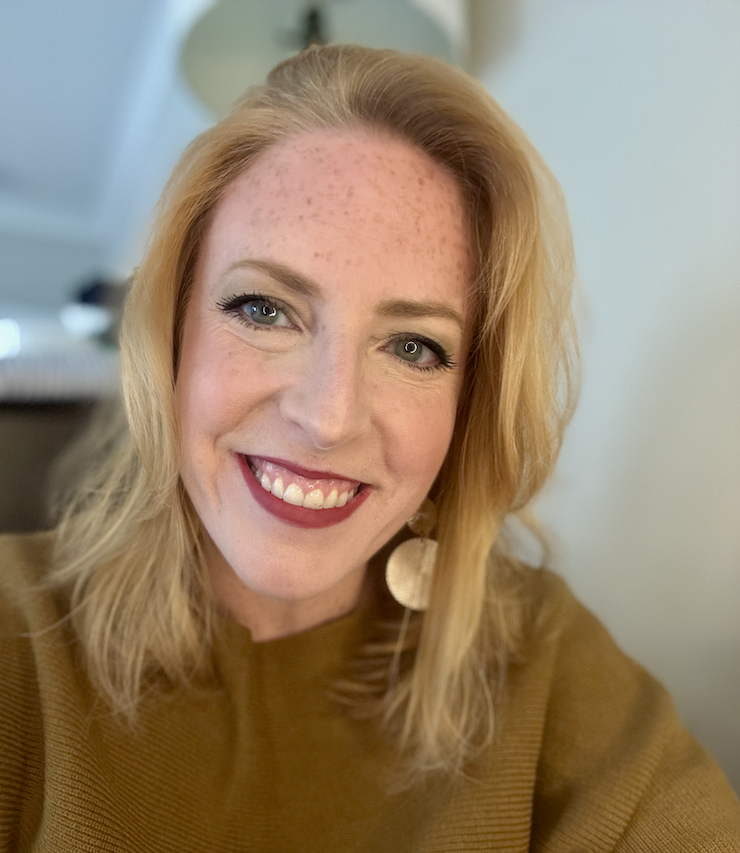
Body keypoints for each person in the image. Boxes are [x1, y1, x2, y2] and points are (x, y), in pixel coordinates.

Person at [1, 44, 738, 852]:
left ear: (469, 403)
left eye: (413, 347)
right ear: (170, 335)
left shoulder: (549, 665)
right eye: (263, 309)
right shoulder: (17, 637)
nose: (328, 417)